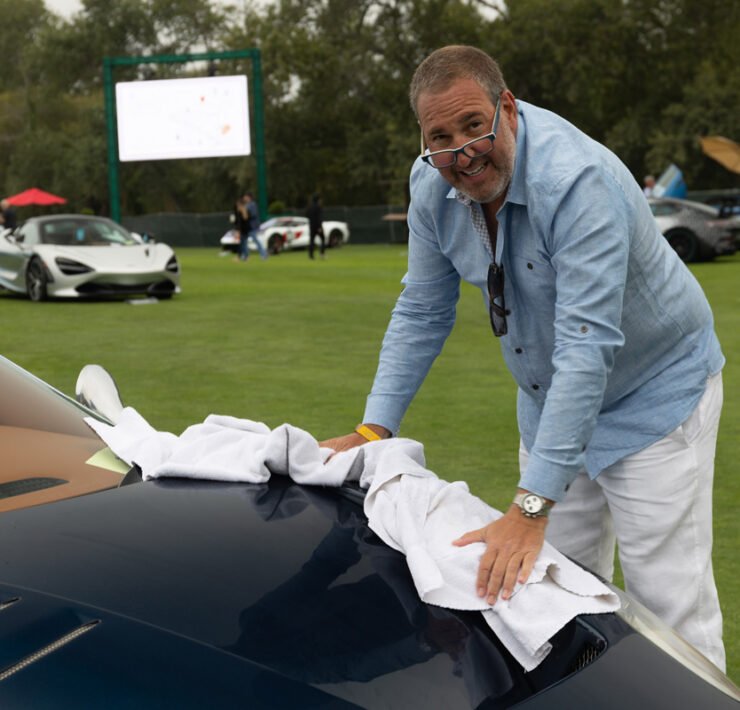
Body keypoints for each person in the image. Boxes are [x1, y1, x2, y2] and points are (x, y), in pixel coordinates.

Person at [321, 45, 726, 670]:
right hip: (548, 406)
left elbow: (587, 346)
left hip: (654, 399)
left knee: (669, 609)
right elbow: (422, 309)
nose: (462, 154)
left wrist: (531, 506)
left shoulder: (578, 181)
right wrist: (375, 430)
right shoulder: (430, 183)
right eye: (440, 138)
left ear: (506, 108)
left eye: (474, 126)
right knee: (550, 597)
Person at [305, 193, 325, 259]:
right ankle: (322, 254)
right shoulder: (318, 207)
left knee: (312, 241)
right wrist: (319, 227)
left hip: (311, 226)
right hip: (318, 226)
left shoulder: (309, 207)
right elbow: (319, 218)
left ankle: (311, 255)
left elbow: (306, 215)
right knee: (323, 239)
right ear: (318, 200)